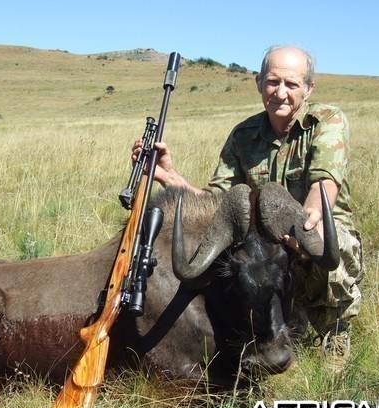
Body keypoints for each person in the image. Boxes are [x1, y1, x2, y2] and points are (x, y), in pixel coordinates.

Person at [132, 45, 363, 373]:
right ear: (258, 83)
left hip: (309, 228)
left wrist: (307, 225)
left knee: (328, 241)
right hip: (266, 247)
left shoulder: (327, 121)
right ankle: (266, 326)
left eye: (292, 84)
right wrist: (170, 177)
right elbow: (216, 203)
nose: (280, 92)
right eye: (272, 82)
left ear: (309, 89)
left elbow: (323, 184)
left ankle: (334, 330)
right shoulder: (243, 134)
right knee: (230, 258)